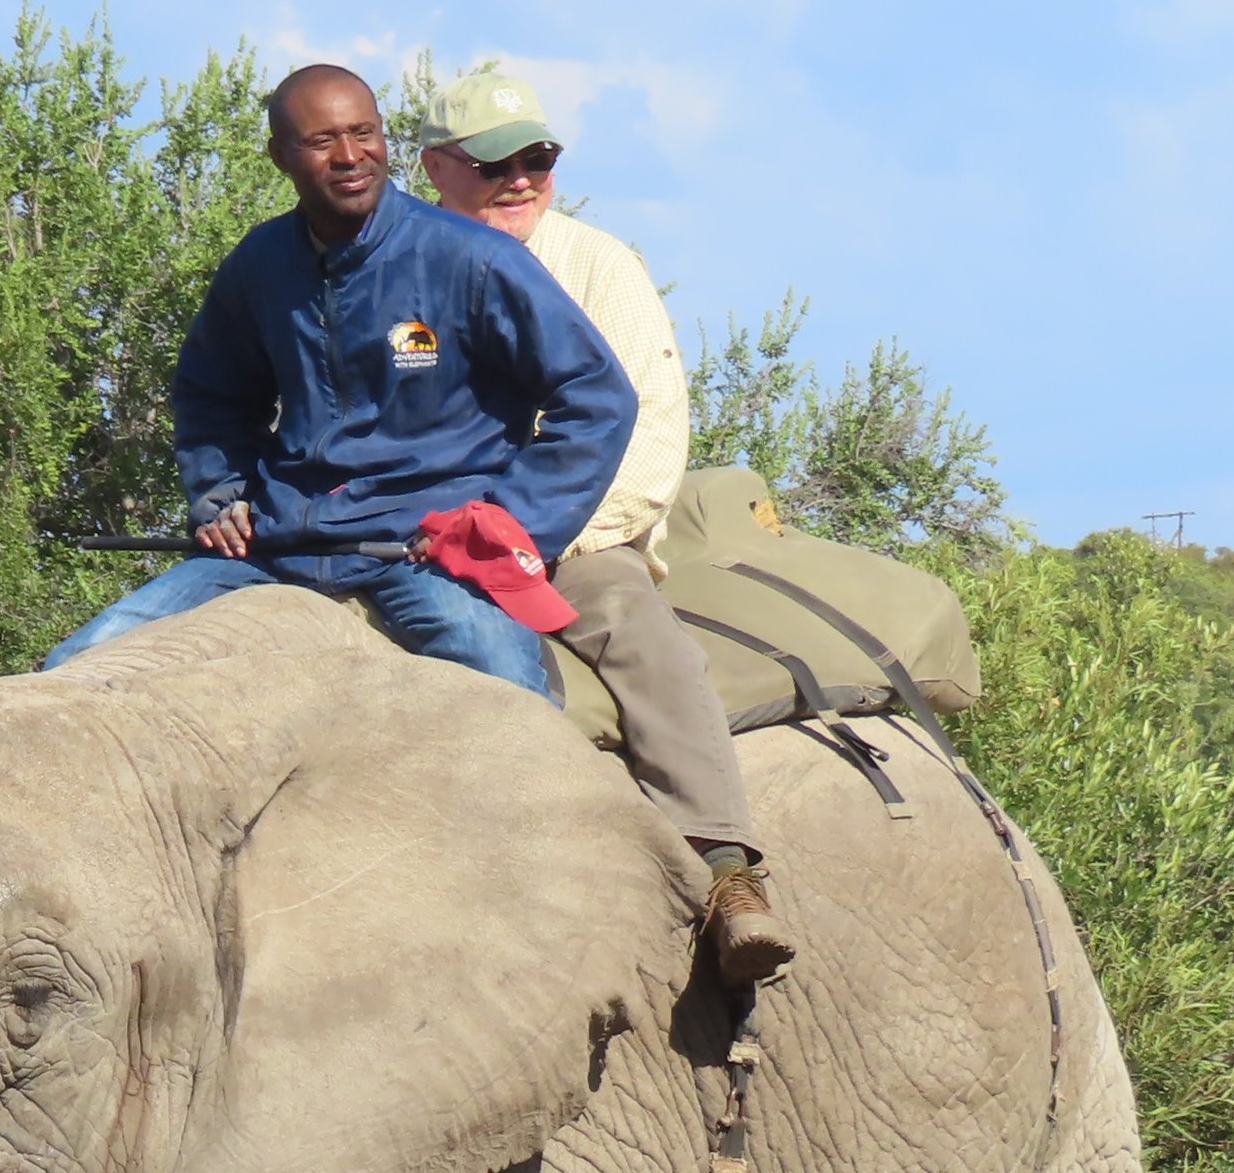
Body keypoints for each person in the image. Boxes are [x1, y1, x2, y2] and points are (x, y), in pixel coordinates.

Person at [47, 60, 788, 980]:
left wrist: (513, 528)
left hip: (469, 543)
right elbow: (210, 393)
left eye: (539, 160)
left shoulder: (521, 262)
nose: (520, 178)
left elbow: (615, 407)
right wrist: (220, 495)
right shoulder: (262, 265)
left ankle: (695, 873)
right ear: (284, 156)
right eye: (322, 141)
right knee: (77, 666)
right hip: (288, 540)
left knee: (517, 686)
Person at [413, 61, 793, 976]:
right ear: (435, 168)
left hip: (567, 535)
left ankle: (724, 868)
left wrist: (540, 538)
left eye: (537, 159)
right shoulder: (385, 269)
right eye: (495, 163)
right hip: (412, 535)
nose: (520, 181)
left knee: (638, 633)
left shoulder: (599, 267)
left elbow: (651, 434)